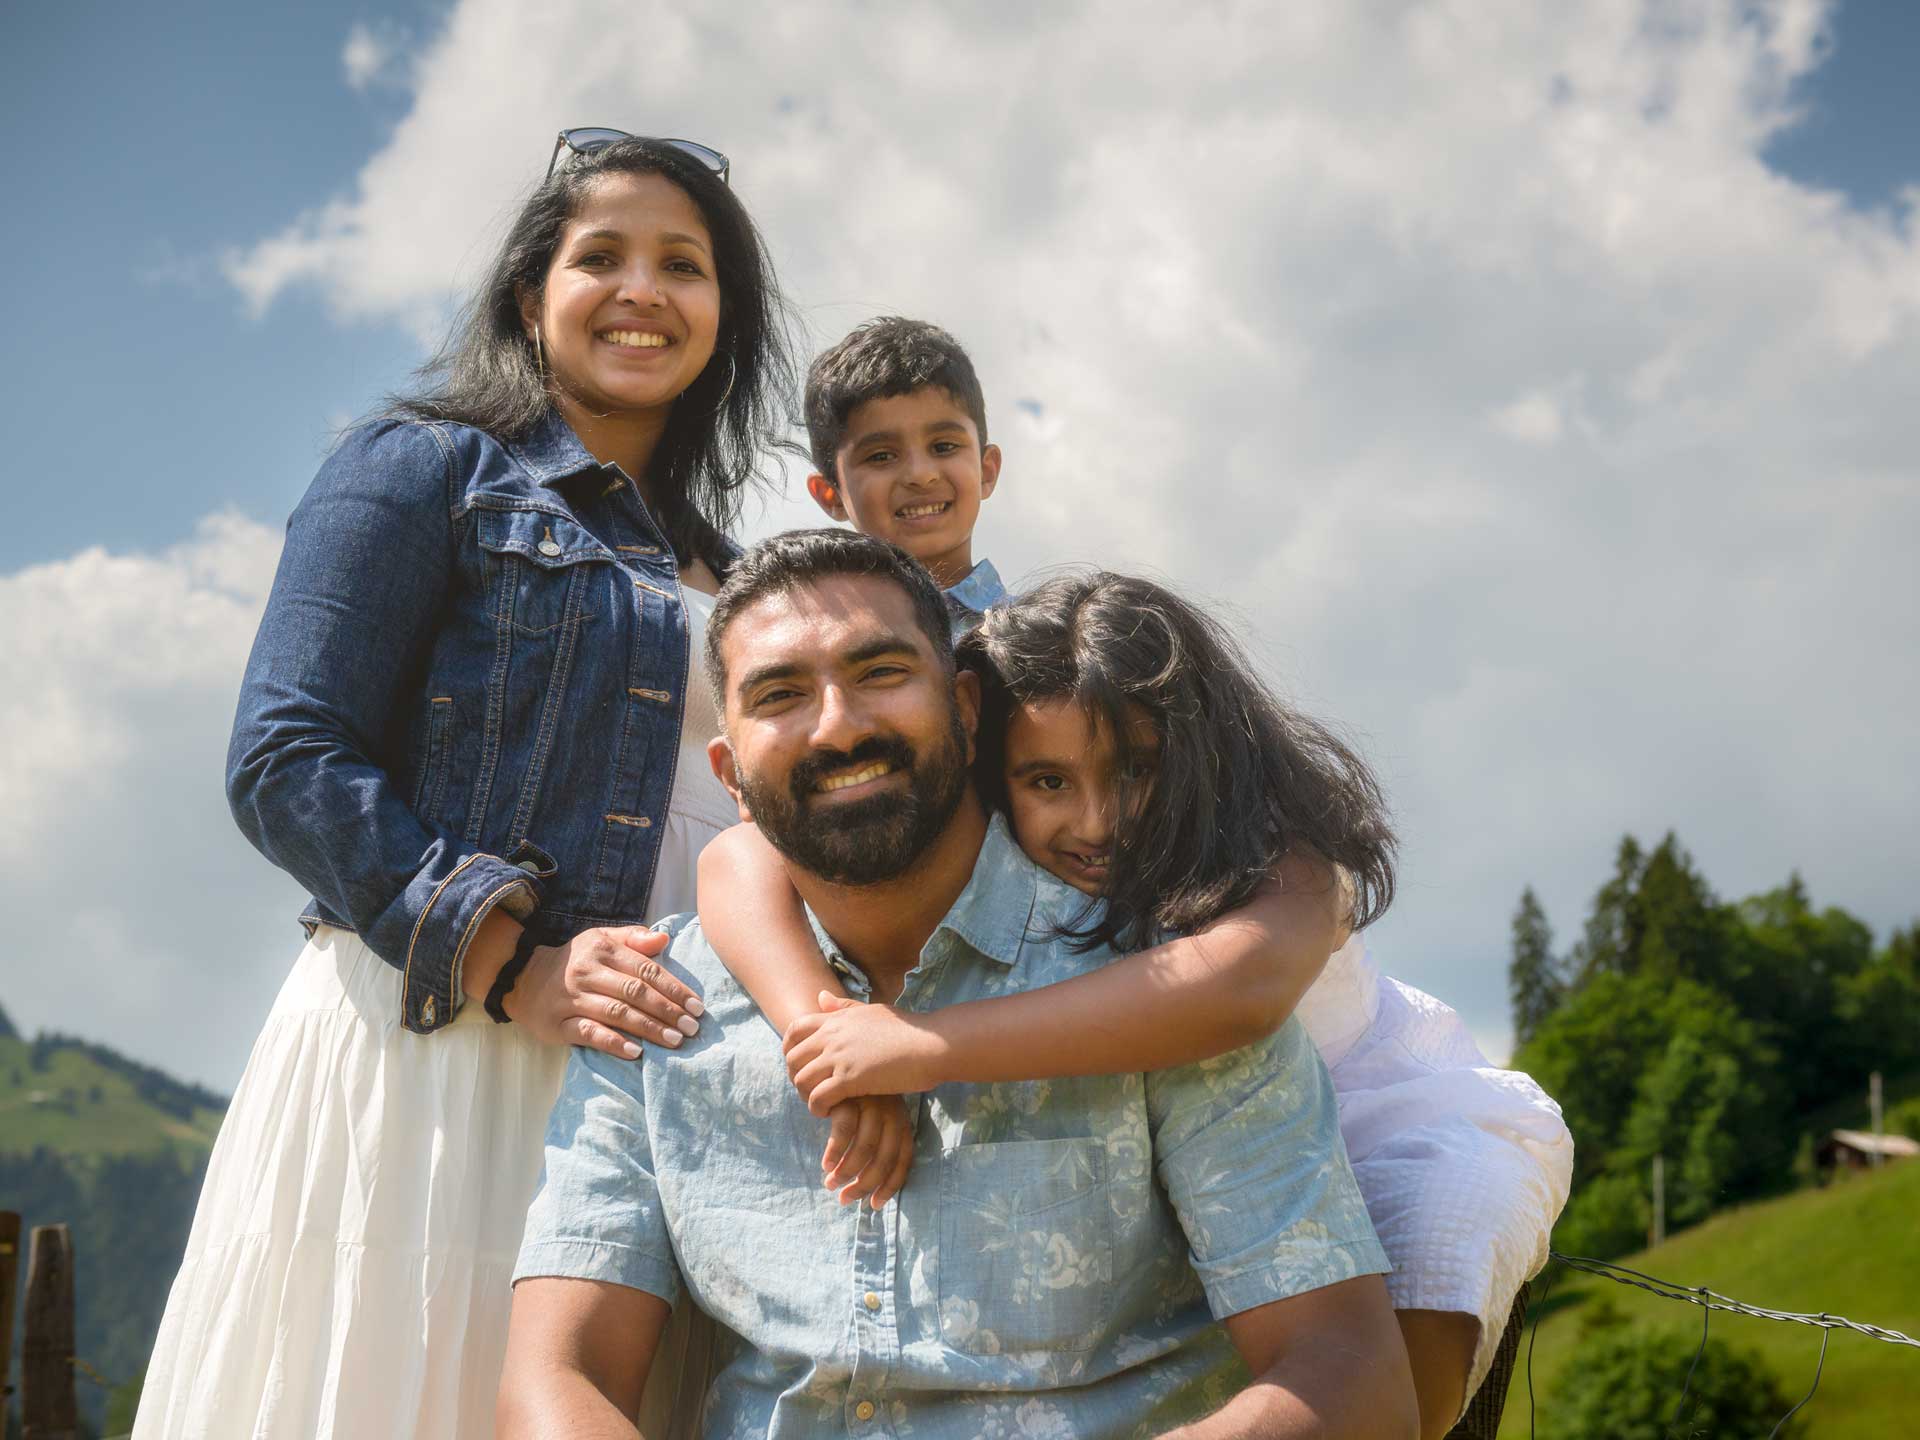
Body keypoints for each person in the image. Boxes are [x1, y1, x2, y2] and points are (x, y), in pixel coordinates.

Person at [697, 318, 1575, 1438]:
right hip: (1152, 1100)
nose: (918, 475)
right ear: (829, 487)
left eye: (943, 444)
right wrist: (828, 1036)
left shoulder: (1069, 668)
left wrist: (915, 1051)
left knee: (1417, 1312)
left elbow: (1239, 992)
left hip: (1363, 1092)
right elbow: (741, 854)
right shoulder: (913, 710)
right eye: (880, 455)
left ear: (988, 464)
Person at [135, 131, 794, 1440]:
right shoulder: (423, 464)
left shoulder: (735, 565)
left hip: (658, 1083)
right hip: (447, 1051)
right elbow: (287, 754)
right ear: (528, 293)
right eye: (599, 256)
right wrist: (509, 963)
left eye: (685, 265)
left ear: (726, 315)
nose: (643, 291)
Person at [500, 529, 1420, 1439]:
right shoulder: (661, 1002)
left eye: (881, 672)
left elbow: (1350, 1378)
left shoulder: (1164, 975)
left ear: (968, 710)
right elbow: (557, 1378)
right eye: (781, 694)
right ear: (729, 773)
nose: (839, 724)